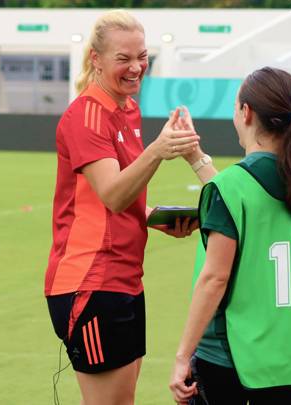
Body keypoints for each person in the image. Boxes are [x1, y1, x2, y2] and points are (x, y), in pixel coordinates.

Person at [44, 10, 201, 405]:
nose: (136, 68)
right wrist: (159, 150)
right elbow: (113, 193)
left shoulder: (127, 109)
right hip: (90, 282)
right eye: (124, 59)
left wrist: (152, 218)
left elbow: (109, 202)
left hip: (125, 278)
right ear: (96, 58)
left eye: (142, 56)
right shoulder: (86, 115)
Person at [169, 67, 291, 405]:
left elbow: (215, 278)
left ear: (246, 112)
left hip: (237, 362)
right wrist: (196, 158)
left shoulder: (232, 189)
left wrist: (183, 356)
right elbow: (252, 202)